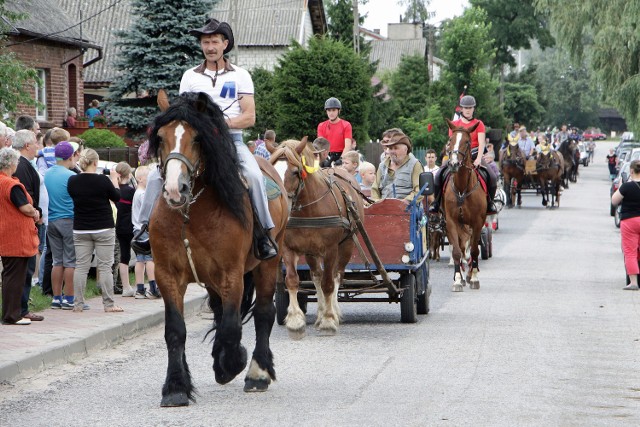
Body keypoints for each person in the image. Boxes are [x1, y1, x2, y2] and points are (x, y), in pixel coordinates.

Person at [178, 17, 277, 260]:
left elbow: (249, 117)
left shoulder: (241, 75)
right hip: (196, 142)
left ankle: (263, 234)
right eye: (205, 42)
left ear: (225, 44)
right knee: (160, 175)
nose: (209, 46)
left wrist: (218, 124)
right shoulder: (189, 76)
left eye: (214, 41)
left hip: (230, 141)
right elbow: (182, 112)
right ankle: (146, 230)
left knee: (253, 176)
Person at [67, 149, 124, 312]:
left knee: (81, 266)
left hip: (81, 228)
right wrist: (114, 180)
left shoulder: (72, 181)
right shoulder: (103, 181)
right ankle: (108, 304)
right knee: (105, 266)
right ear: (95, 163)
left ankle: (77, 303)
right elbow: (117, 197)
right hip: (103, 227)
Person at [429, 95, 497, 215]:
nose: (468, 110)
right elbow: (452, 142)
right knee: (439, 174)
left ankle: (490, 203)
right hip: (457, 155)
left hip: (475, 154)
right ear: (461, 109)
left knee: (492, 176)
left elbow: (481, 143)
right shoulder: (454, 124)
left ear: (473, 109)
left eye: (470, 107)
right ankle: (436, 202)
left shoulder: (479, 124)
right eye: (466, 107)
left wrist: (478, 159)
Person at [0, 147, 40, 325]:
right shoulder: (11, 184)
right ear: (11, 163)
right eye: (16, 162)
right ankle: (12, 315)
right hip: (16, 237)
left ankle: (11, 313)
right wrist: (35, 213)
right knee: (15, 278)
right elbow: (25, 207)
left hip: (6, 235)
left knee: (10, 276)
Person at [11, 130, 45, 322]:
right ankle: (20, 309)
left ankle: (21, 308)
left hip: (30, 220)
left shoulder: (25, 164)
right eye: (35, 144)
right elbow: (25, 194)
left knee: (27, 269)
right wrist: (35, 212)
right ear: (26, 145)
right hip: (26, 223)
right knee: (24, 269)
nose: (37, 148)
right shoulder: (22, 166)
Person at [44, 141, 79, 310]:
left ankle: (56, 298)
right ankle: (69, 298)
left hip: (52, 220)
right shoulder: (71, 176)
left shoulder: (47, 174)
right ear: (70, 156)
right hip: (69, 220)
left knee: (57, 261)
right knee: (70, 261)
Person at [131, 165, 159, 299]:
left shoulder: (136, 193)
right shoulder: (143, 195)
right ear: (141, 179)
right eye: (148, 178)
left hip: (137, 229)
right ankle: (153, 288)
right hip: (144, 229)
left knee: (140, 260)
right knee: (150, 259)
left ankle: (140, 289)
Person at [612, 159, 640, 290]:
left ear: (631, 171)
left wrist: (622, 184)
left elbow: (614, 201)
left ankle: (634, 282)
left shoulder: (627, 186)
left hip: (629, 221)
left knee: (630, 252)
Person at [371, 133, 422, 204]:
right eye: (390, 148)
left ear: (405, 149)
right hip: (383, 209)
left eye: (396, 148)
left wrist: (406, 201)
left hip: (408, 209)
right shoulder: (382, 166)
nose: (392, 151)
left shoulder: (415, 164)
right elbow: (374, 189)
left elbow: (419, 189)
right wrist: (377, 202)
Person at [113, 162, 137, 297]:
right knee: (136, 255)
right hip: (130, 226)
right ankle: (132, 285)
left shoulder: (114, 189)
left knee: (123, 256)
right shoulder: (130, 191)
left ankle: (125, 286)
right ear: (128, 175)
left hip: (118, 225)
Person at [316, 97, 352, 167]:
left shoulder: (346, 125)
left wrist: (341, 159)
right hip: (326, 156)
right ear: (326, 111)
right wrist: (325, 159)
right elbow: (320, 145)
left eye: (333, 110)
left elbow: (348, 145)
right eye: (329, 110)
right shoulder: (321, 125)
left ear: (339, 111)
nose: (331, 113)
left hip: (341, 156)